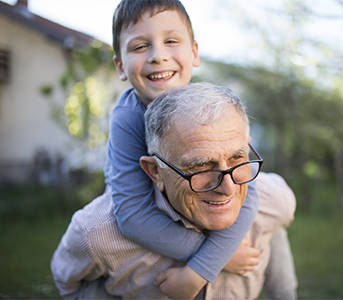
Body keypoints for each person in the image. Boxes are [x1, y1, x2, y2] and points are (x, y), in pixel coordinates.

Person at [51, 82, 298, 299]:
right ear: (156, 172)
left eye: (237, 157)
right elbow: (68, 282)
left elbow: (278, 238)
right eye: (200, 165)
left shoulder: (273, 200)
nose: (227, 188)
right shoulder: (98, 233)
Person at [106, 0, 260, 298]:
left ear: (194, 53)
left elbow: (249, 191)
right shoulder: (127, 118)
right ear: (120, 66)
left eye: (171, 41)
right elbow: (133, 215)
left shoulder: (211, 106)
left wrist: (202, 266)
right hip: (159, 216)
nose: (158, 56)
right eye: (139, 47)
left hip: (202, 204)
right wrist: (214, 260)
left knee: (273, 208)